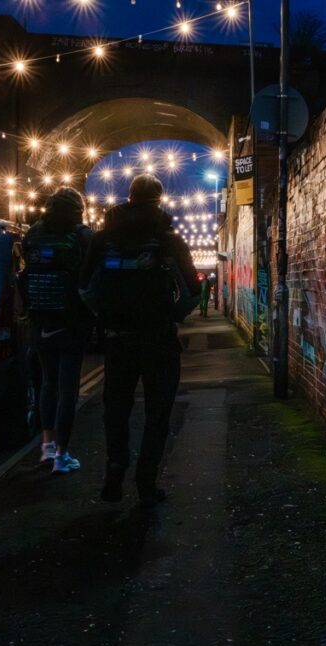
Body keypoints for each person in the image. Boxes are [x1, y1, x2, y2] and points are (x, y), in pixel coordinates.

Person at [80, 174, 199, 505]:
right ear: (159, 200)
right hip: (159, 339)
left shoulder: (103, 240)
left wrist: (104, 316)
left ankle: (116, 465)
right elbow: (192, 290)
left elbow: (85, 288)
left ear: (129, 197)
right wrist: (172, 315)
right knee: (158, 413)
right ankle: (146, 482)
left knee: (116, 409)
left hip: (118, 340)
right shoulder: (168, 239)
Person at [20, 187, 93, 474]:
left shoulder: (33, 234)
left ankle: (47, 449)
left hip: (39, 317)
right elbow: (90, 275)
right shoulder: (82, 235)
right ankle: (62, 455)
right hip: (71, 319)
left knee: (47, 385)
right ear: (78, 209)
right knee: (68, 389)